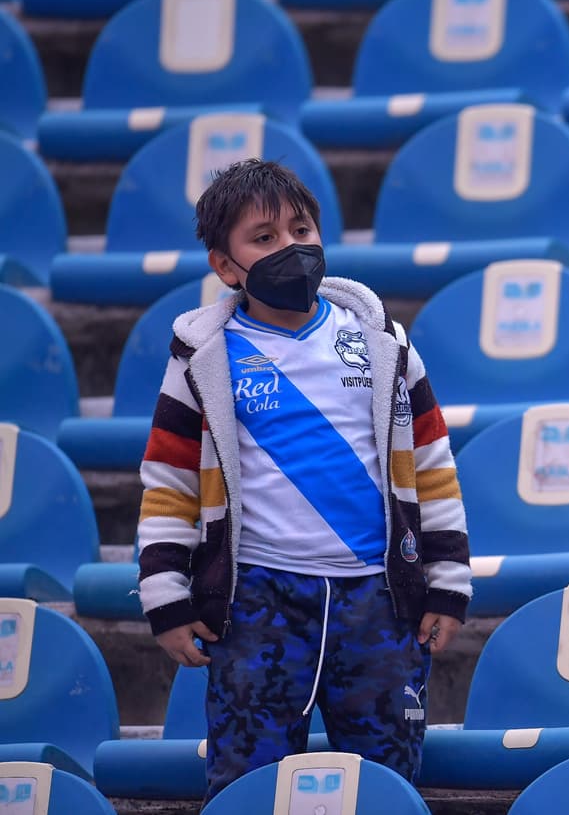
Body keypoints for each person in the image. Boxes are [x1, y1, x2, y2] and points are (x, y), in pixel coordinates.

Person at [135, 159, 472, 802]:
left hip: (379, 602)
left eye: (301, 229)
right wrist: (166, 596)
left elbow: (431, 466)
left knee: (384, 786)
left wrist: (448, 583)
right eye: (263, 238)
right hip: (254, 605)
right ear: (225, 267)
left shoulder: (384, 346)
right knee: (250, 788)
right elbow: (170, 481)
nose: (289, 247)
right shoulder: (202, 358)